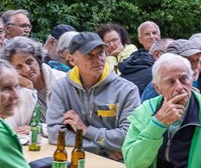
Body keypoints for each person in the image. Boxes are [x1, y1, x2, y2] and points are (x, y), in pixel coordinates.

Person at [46, 32, 140, 160]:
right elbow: (55, 133)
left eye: (100, 53)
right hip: (80, 159)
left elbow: (128, 136)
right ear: (72, 59)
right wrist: (101, 149)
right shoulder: (62, 88)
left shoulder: (127, 90)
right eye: (89, 55)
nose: (98, 60)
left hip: (115, 166)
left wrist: (86, 130)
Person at [0, 37, 66, 138]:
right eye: (18, 67)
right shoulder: (14, 91)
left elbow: (71, 124)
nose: (27, 69)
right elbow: (13, 128)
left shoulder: (62, 80)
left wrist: (40, 129)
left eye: (29, 62)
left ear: (37, 59)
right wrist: (28, 89)